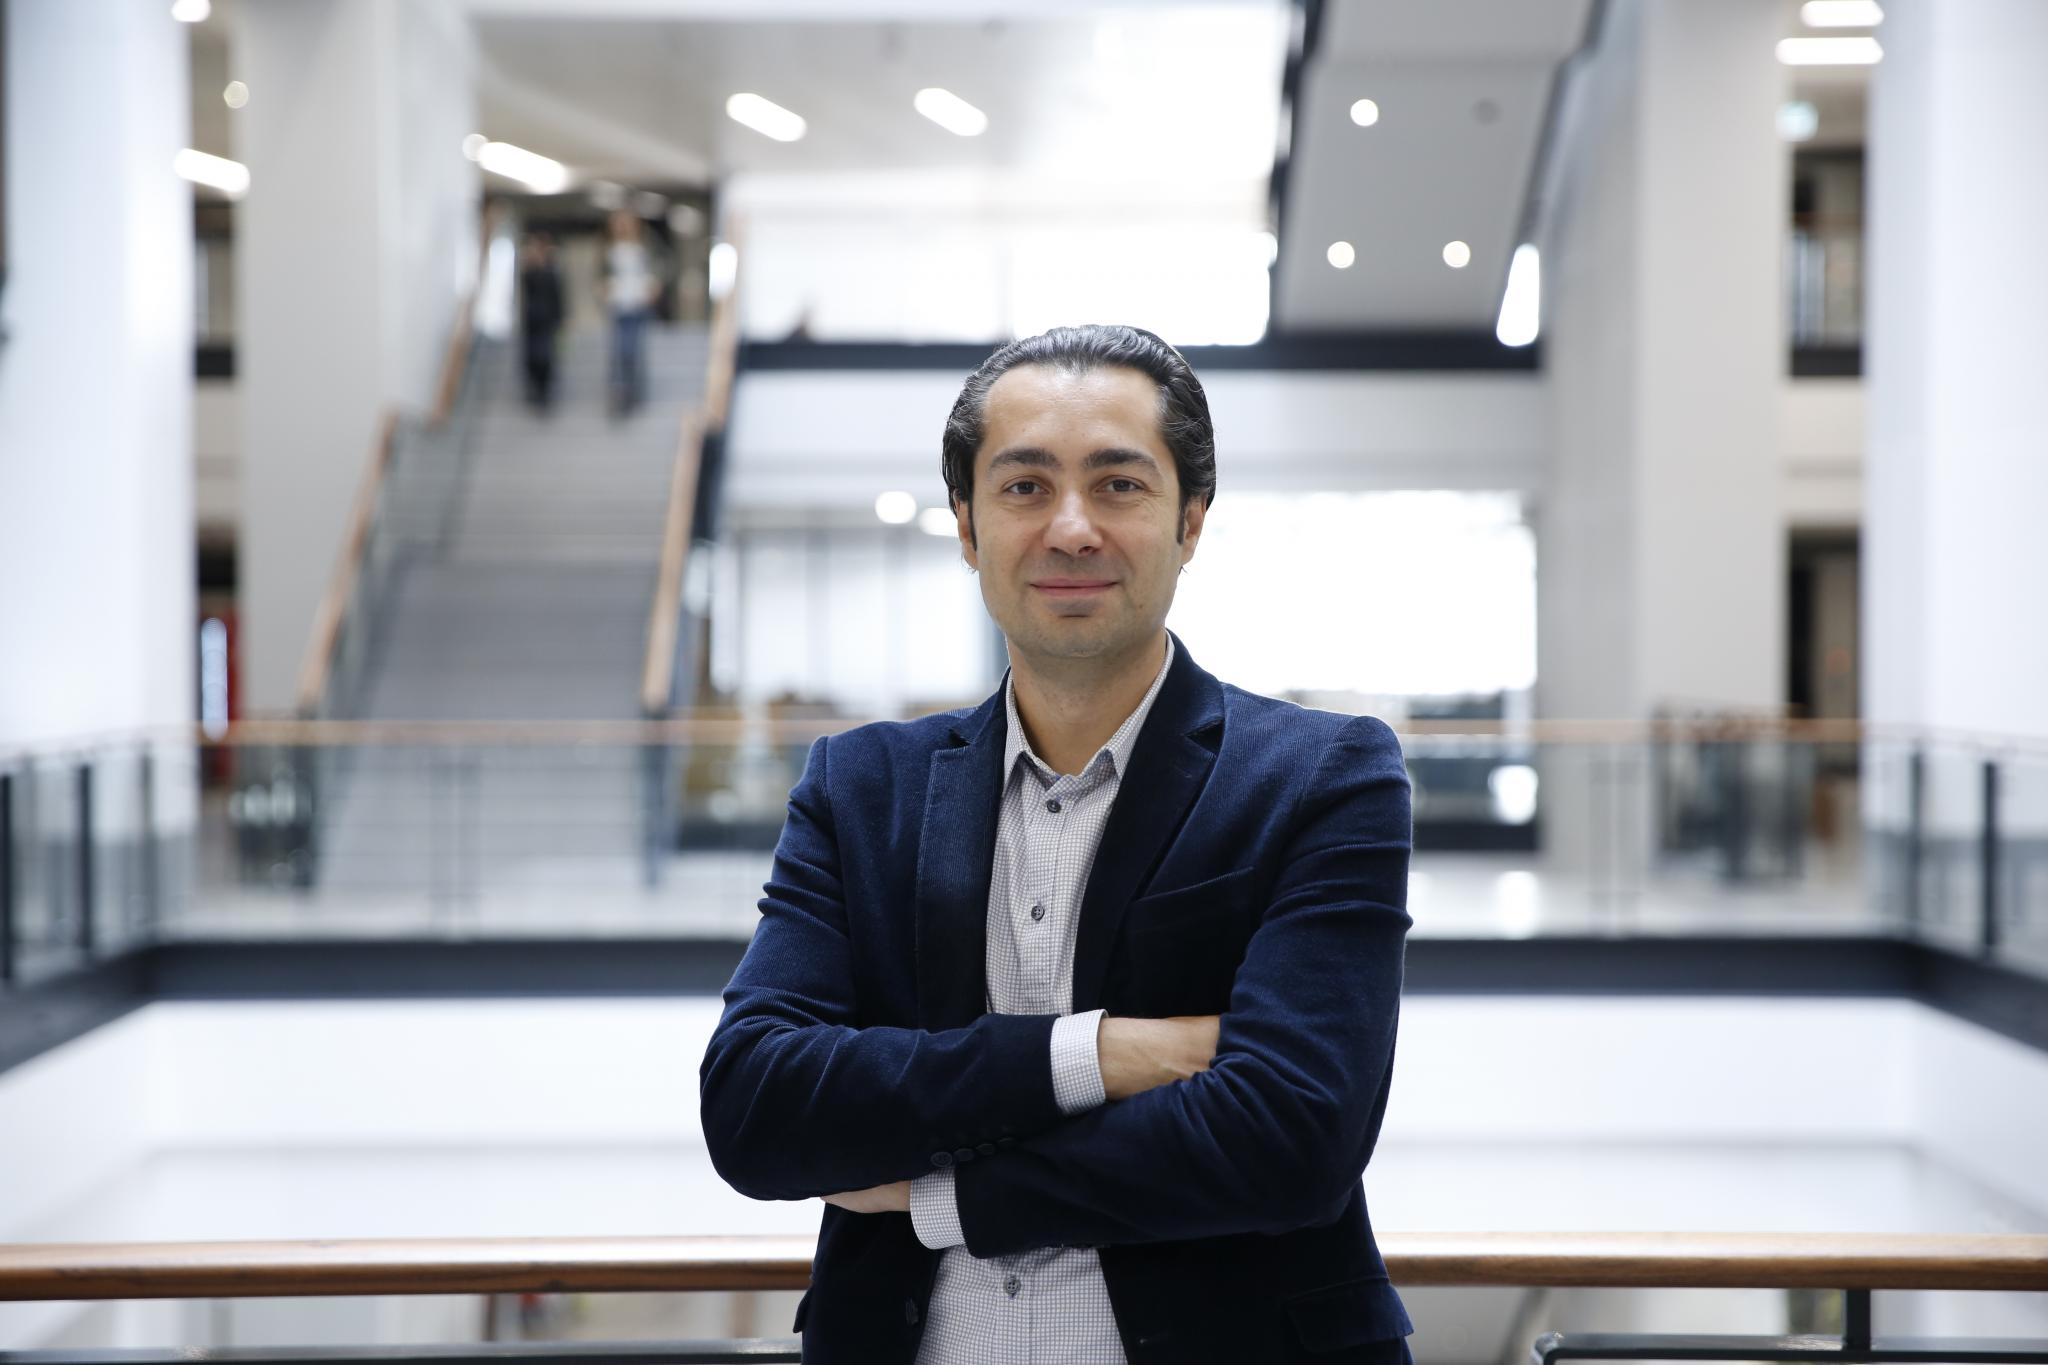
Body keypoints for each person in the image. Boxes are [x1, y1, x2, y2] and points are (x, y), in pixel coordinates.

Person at [700, 324, 1414, 1364]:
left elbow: (1292, 1136)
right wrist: (1102, 1055)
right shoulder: (858, 790)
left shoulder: (1323, 776)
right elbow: (757, 1106)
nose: (1071, 529)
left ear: (1190, 520)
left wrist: (939, 1196)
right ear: (966, 524)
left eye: (1118, 485)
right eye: (1025, 487)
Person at [601, 209, 657, 417]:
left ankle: (633, 392)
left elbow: (655, 270)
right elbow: (601, 275)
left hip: (637, 302)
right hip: (618, 304)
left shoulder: (644, 247)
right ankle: (619, 393)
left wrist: (652, 288)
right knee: (619, 350)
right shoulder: (609, 249)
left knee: (632, 350)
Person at [517, 232, 563, 411]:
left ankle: (544, 391)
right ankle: (534, 388)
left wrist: (560, 318)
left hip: (547, 321)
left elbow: (558, 296)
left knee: (546, 356)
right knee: (532, 357)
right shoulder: (529, 271)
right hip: (532, 321)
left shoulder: (552, 272)